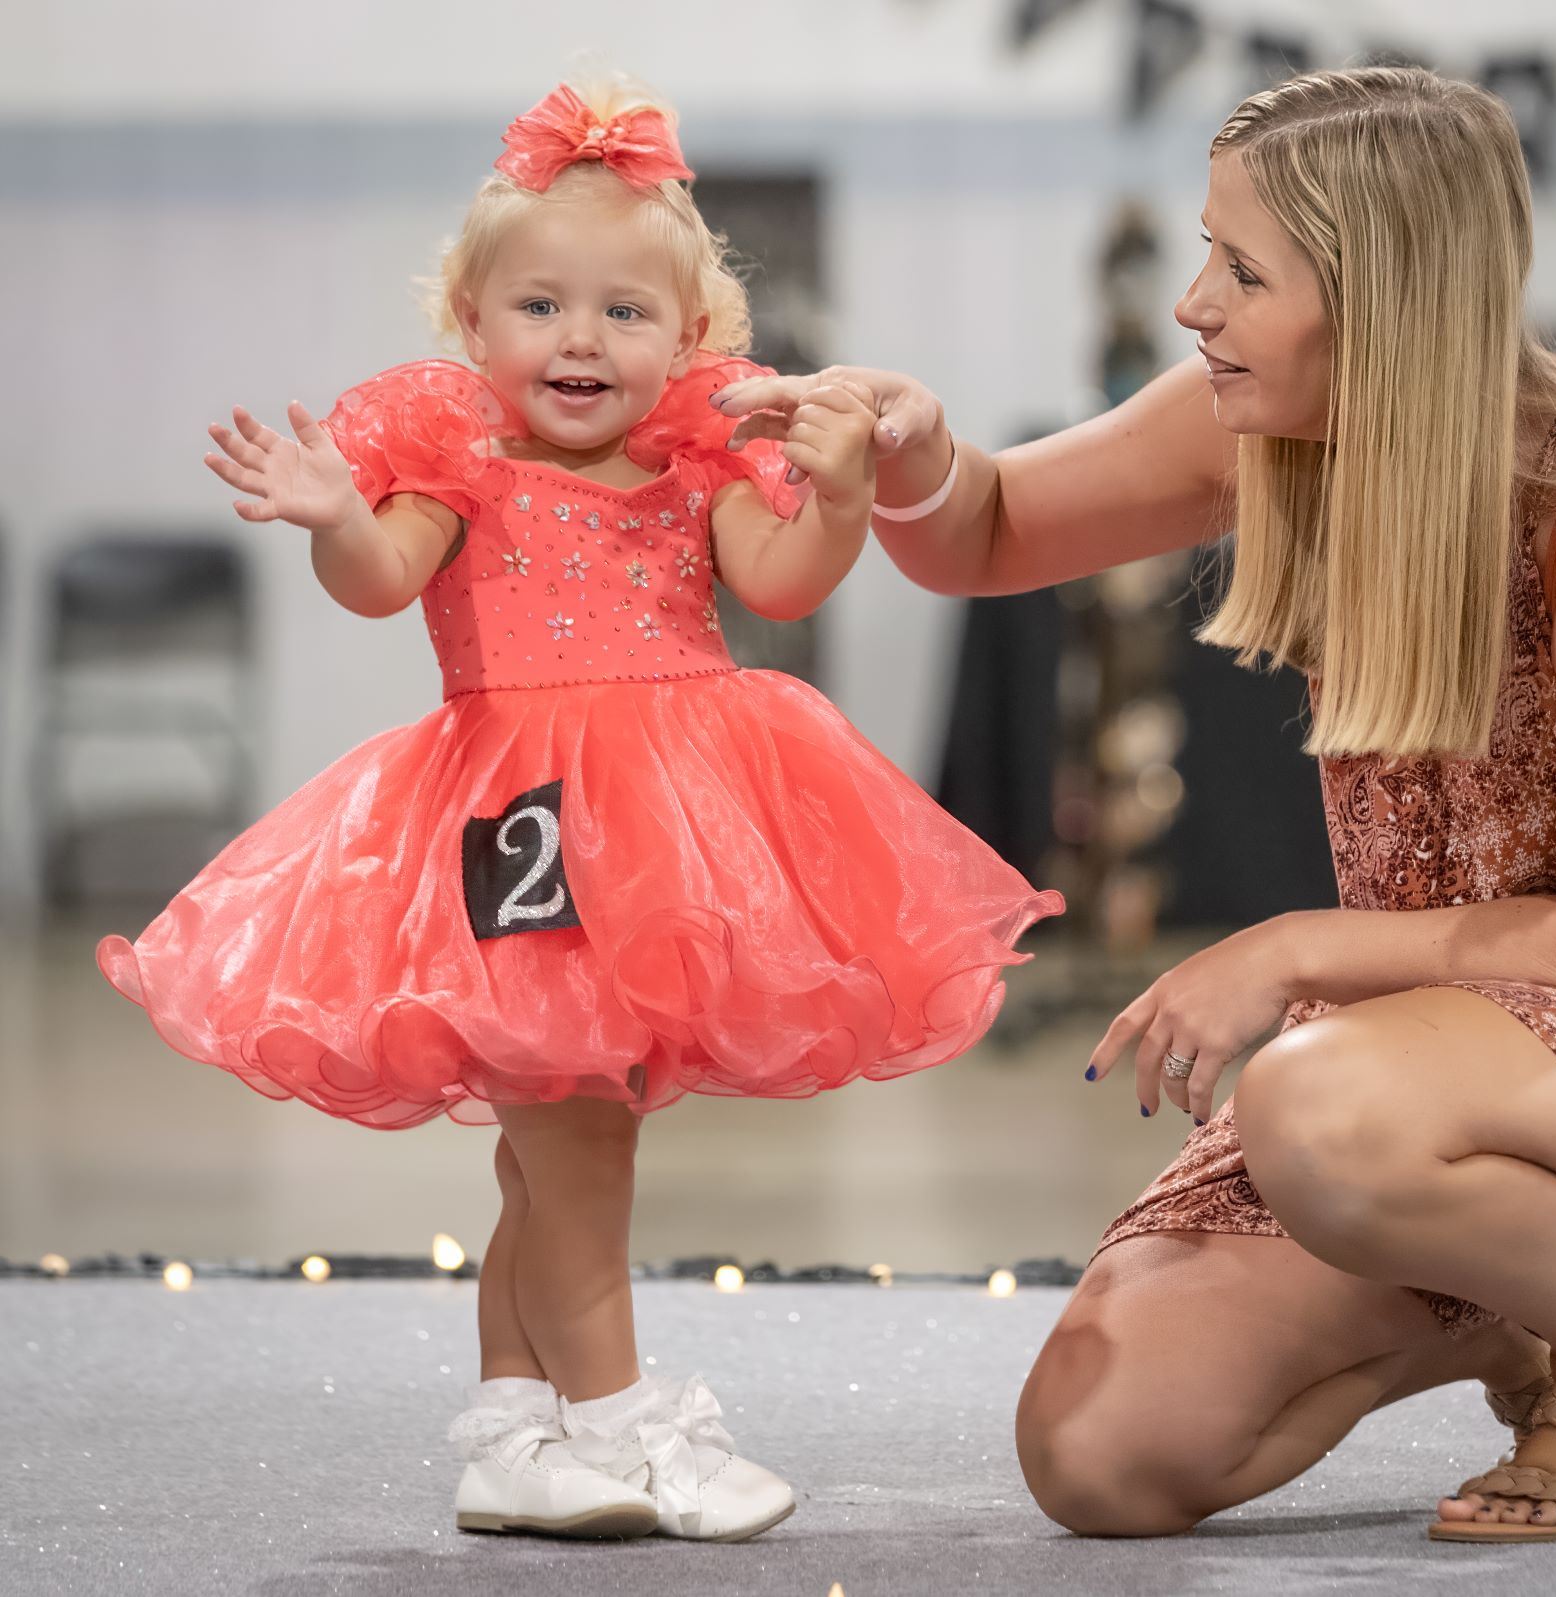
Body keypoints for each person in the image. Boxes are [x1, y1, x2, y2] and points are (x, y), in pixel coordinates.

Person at [719, 65, 1556, 1544]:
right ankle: (1507, 1299)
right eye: (1207, 252)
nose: (1195, 303)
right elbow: (986, 530)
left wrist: (1292, 952)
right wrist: (921, 458)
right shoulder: (1260, 420)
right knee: (1101, 1455)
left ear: (1381, 299)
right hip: (1425, 1054)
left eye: (1242, 270)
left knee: (1310, 1100)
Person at [98, 78, 1061, 1543]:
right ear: (471, 329)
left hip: (673, 834)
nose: (579, 340)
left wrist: (845, 490)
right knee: (576, 1130)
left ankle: (516, 1428)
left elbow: (786, 580)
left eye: (622, 313)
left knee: (542, 1143)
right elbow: (375, 576)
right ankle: (620, 1417)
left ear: (689, 341)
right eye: (538, 306)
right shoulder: (452, 457)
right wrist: (336, 513)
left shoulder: (696, 457)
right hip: (522, 827)